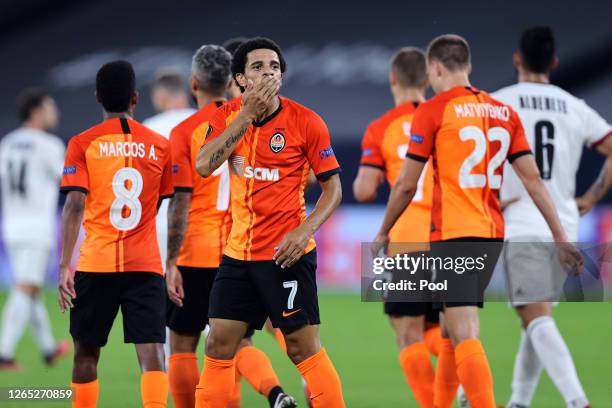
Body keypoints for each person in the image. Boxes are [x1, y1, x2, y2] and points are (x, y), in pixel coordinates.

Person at [372, 34, 582, 408]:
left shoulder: (434, 110)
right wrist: (561, 236)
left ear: (435, 68)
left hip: (454, 234)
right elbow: (533, 181)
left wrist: (383, 230)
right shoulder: (503, 111)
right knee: (452, 332)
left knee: (464, 330)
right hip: (491, 235)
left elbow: (405, 185)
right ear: (468, 66)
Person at [194, 37, 345, 408]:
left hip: (286, 255)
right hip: (238, 255)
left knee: (302, 348)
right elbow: (204, 165)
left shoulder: (307, 121)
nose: (268, 72)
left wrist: (304, 229)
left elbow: (333, 189)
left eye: (274, 66)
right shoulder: (226, 116)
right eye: (258, 67)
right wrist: (246, 115)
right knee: (218, 344)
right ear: (240, 79)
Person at [166, 44, 295, 408]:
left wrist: (171, 260)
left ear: (194, 83)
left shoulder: (186, 130)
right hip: (239, 247)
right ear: (231, 80)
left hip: (196, 250)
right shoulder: (249, 119)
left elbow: (181, 200)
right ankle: (276, 390)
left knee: (183, 341)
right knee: (238, 341)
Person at [493, 26, 612, 408]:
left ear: (516, 59)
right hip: (565, 224)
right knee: (535, 318)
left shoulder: (498, 103)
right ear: (554, 63)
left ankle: (579, 402)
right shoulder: (573, 104)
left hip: (523, 221)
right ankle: (519, 402)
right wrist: (592, 197)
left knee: (536, 319)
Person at [59, 60, 173, 408]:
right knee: (152, 351)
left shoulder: (82, 143)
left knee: (86, 353)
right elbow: (154, 204)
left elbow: (75, 206)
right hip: (145, 264)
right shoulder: (160, 145)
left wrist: (65, 265)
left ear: (97, 98)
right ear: (135, 98)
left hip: (96, 264)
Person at [353, 47, 442, 407]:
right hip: (448, 235)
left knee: (407, 334)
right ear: (426, 79)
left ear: (392, 79)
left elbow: (362, 190)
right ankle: (465, 382)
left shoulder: (381, 128)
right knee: (444, 329)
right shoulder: (445, 118)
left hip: (405, 240)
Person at [0, 87, 69, 370]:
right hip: (37, 227)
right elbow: (68, 181)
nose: (55, 112)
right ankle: (3, 353)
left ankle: (48, 349)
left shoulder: (7, 143)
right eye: (51, 107)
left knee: (31, 289)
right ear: (38, 111)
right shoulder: (49, 145)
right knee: (26, 287)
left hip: (12, 225)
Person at [142, 70, 195, 269]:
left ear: (160, 97)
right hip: (201, 220)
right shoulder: (205, 120)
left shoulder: (150, 127)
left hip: (163, 220)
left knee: (165, 285)